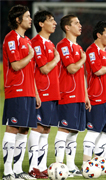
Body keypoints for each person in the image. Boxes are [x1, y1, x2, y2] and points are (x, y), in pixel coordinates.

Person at [2, 4, 40, 180]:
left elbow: (30, 72)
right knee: (13, 129)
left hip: (29, 92)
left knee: (24, 131)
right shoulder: (11, 38)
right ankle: (8, 171)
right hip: (16, 90)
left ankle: (17, 170)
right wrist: (30, 56)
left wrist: (36, 93)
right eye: (27, 16)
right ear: (18, 20)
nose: (30, 19)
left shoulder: (26, 40)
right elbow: (16, 65)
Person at [54, 14, 91, 177]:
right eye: (76, 23)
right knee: (64, 129)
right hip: (66, 93)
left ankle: (70, 166)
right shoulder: (63, 45)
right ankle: (59, 165)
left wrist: (86, 95)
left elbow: (81, 75)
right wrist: (83, 59)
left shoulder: (78, 47)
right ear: (67, 27)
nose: (80, 25)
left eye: (80, 22)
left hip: (78, 95)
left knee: (74, 131)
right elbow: (71, 69)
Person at [27, 10, 60, 179]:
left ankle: (41, 166)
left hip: (52, 93)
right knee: (38, 128)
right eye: (51, 20)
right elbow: (44, 68)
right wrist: (56, 59)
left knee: (46, 130)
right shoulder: (37, 43)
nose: (54, 23)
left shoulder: (50, 43)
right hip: (42, 92)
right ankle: (33, 167)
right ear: (41, 24)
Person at [83, 21, 106, 163]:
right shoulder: (92, 50)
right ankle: (87, 164)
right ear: (99, 35)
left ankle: (100, 163)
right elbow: (98, 71)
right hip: (97, 97)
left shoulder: (105, 52)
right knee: (93, 132)